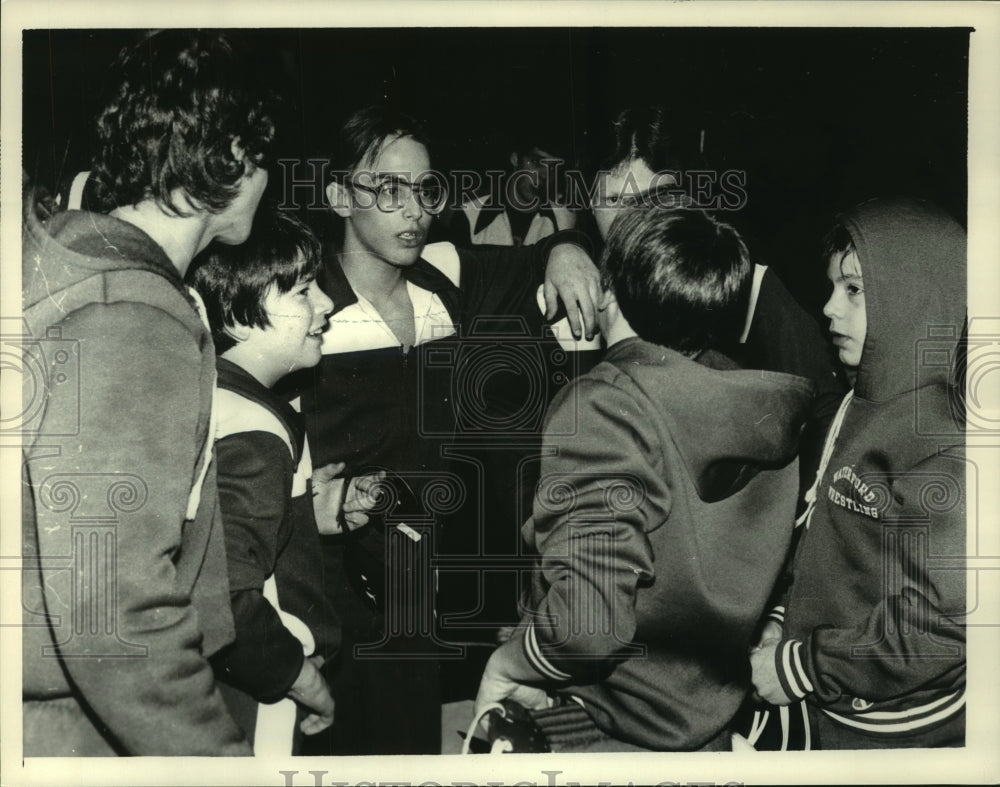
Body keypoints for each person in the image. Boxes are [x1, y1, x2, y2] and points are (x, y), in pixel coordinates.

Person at [289, 104, 602, 755]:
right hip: (331, 586)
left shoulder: (443, 282)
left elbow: (536, 260)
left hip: (422, 584)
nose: (414, 211)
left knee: (413, 745)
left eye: (426, 189)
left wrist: (566, 246)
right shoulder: (302, 302)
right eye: (389, 190)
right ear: (340, 194)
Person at [473, 207, 814, 752]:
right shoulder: (749, 396)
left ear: (608, 291)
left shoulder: (606, 407)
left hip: (617, 726)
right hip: (711, 717)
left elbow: (587, 628)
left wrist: (508, 664)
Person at [21, 30, 274, 755]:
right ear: (230, 160)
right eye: (262, 161)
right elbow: (111, 611)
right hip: (70, 727)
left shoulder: (68, 252)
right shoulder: (131, 319)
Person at [749, 197, 967, 749]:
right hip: (833, 695)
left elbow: (938, 629)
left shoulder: (944, 444)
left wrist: (802, 667)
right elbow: (824, 538)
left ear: (912, 298)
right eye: (831, 287)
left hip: (895, 731)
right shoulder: (860, 398)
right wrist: (783, 617)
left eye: (853, 290)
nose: (827, 309)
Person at [590, 106, 846, 497]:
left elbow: (821, 406)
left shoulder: (741, 283)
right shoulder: (573, 283)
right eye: (614, 198)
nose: (633, 221)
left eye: (652, 199)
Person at [189, 209, 347, 755]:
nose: (327, 304)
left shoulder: (219, 395)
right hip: (263, 695)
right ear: (236, 314)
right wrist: (304, 680)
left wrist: (307, 516)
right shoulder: (255, 432)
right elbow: (227, 596)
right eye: (304, 291)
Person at [449, 134, 576, 247]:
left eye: (552, 168)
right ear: (515, 160)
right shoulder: (470, 215)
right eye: (536, 162)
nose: (544, 175)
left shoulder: (564, 220)